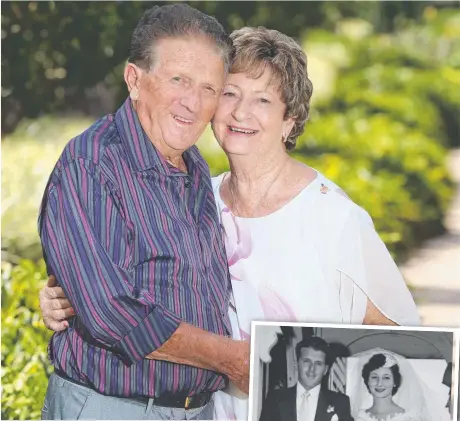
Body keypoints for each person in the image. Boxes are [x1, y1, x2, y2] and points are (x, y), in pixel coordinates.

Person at [39, 22, 421, 420]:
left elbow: (402, 344)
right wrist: (64, 295)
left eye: (263, 101)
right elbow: (130, 284)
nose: (241, 112)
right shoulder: (201, 193)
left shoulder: (334, 219)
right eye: (230, 93)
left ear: (290, 120)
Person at [37, 4, 251, 420]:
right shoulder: (92, 165)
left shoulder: (194, 167)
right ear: (134, 80)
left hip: (195, 411)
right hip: (114, 409)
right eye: (178, 80)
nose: (193, 102)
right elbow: (111, 311)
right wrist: (230, 358)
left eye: (210, 88)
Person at [259, 337, 354, 421]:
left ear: (325, 370)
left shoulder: (340, 403)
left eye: (318, 363)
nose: (311, 369)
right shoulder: (274, 399)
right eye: (306, 361)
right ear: (296, 364)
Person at [349, 349, 436, 421]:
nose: (379, 383)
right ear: (367, 381)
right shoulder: (357, 417)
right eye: (374, 377)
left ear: (395, 382)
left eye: (386, 378)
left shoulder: (410, 418)